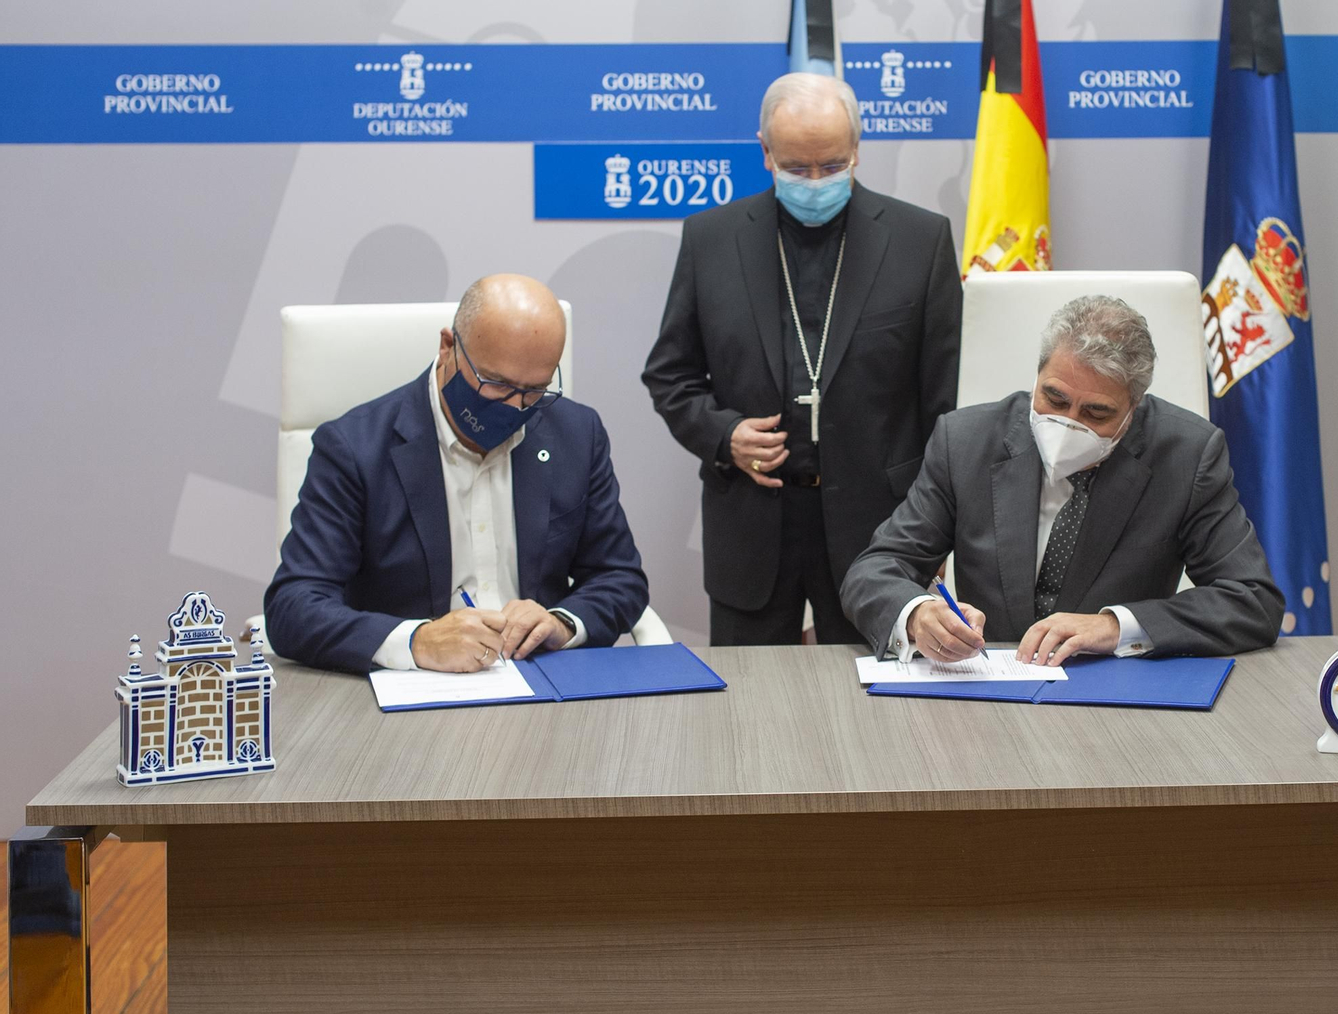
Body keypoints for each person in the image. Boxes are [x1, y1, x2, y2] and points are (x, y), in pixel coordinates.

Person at [642, 72, 961, 646]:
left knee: (875, 710)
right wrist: (724, 435)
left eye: (832, 165)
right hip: (752, 520)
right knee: (750, 713)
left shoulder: (922, 240)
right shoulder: (711, 239)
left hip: (881, 530)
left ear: (857, 150)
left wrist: (933, 532)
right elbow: (670, 374)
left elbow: (942, 402)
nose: (815, 181)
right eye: (796, 167)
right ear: (764, 152)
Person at [840, 294, 1284, 665]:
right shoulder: (965, 441)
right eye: (1054, 398)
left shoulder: (1187, 455)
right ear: (1037, 377)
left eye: (1096, 413)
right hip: (987, 687)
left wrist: (1115, 626)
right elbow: (874, 570)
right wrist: (917, 614)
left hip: (1116, 695)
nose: (1069, 422)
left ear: (1134, 406)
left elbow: (1252, 601)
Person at [265, 274, 649, 674]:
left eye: (534, 390)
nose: (516, 407)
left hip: (542, 681)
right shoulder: (355, 448)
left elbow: (619, 577)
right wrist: (415, 641)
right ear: (448, 347)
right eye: (496, 384)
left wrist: (561, 622)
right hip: (411, 690)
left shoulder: (575, 434)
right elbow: (293, 605)